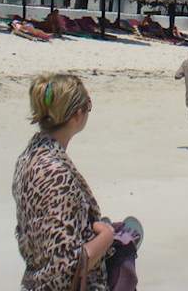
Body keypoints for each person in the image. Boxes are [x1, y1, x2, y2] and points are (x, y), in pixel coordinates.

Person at [13, 73, 119, 290]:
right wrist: (107, 236)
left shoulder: (28, 156)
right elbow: (66, 267)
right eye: (88, 105)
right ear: (76, 115)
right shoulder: (56, 174)